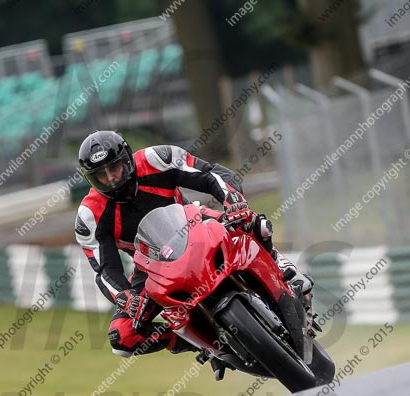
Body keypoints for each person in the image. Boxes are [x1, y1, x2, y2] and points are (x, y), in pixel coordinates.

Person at [73, 130, 313, 358]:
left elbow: (211, 174)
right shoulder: (89, 216)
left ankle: (286, 273)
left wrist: (233, 200)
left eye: (114, 167)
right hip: (151, 267)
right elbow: (106, 271)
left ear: (128, 158)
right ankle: (202, 345)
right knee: (122, 336)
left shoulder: (157, 159)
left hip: (196, 224)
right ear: (89, 180)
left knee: (251, 223)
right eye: (100, 175)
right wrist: (126, 298)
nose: (111, 178)